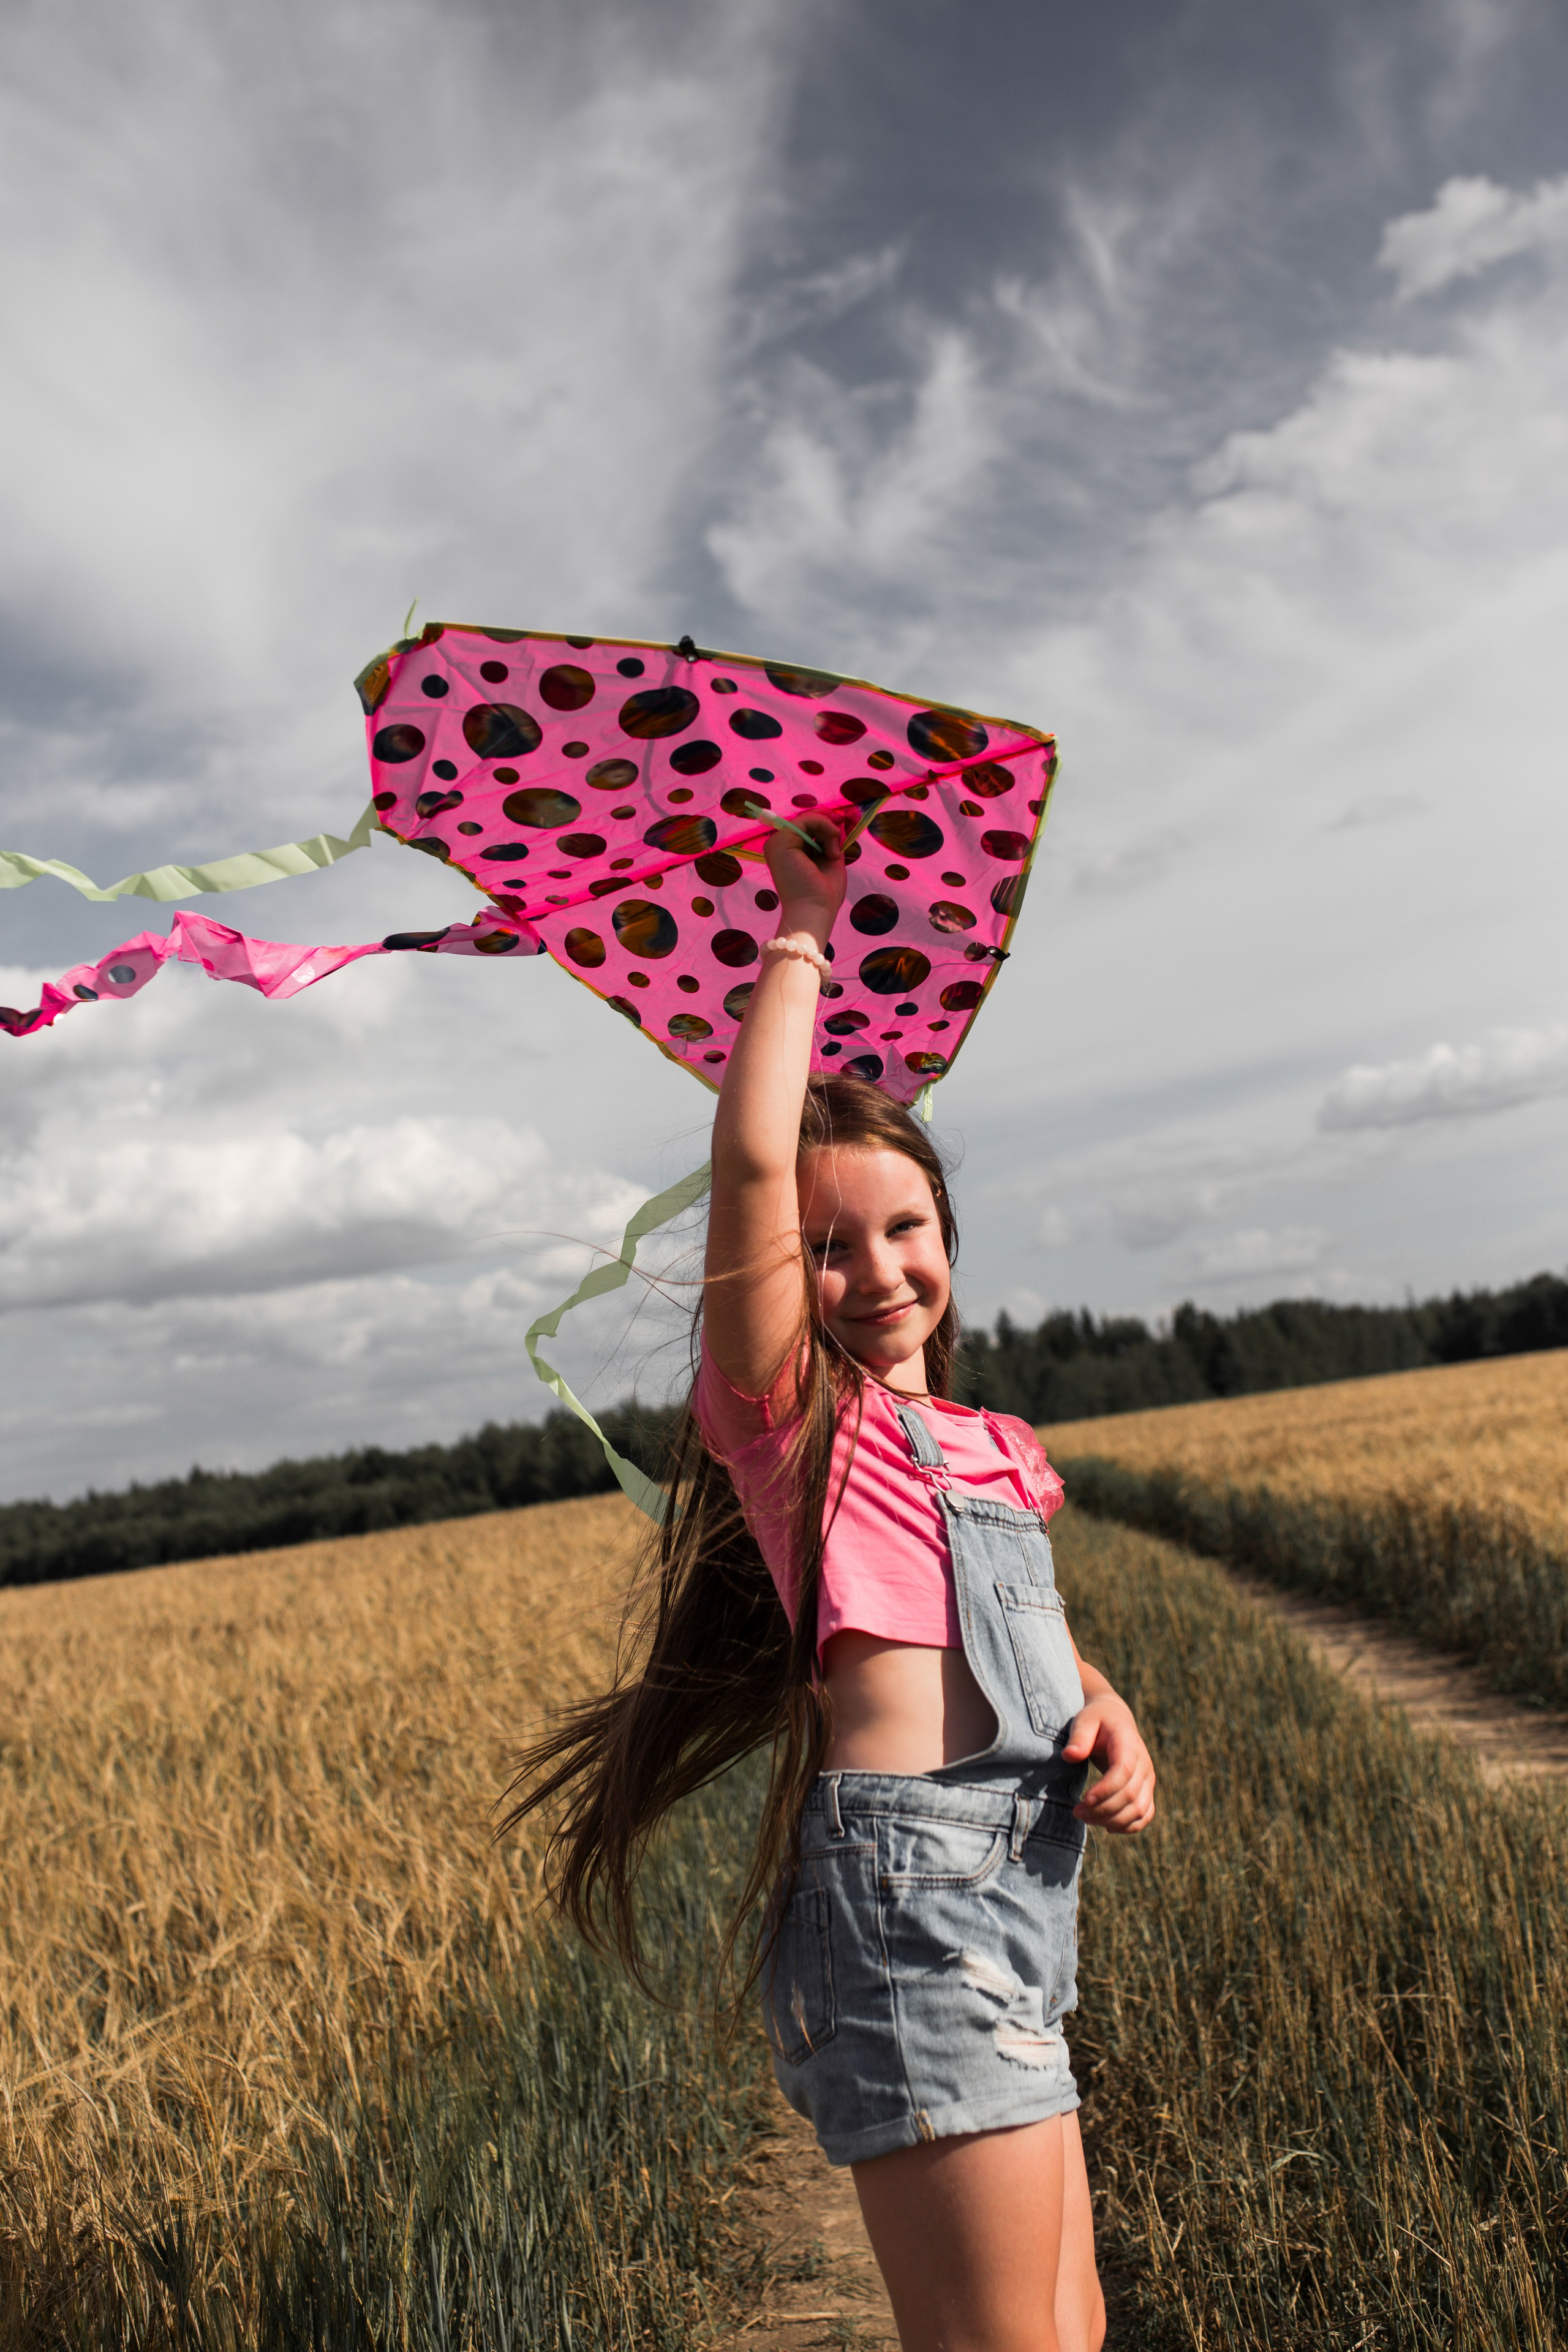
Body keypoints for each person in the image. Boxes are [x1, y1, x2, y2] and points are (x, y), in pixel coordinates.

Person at [506, 813, 1156, 2352]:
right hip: (912, 1896)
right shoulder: (792, 1427)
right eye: (825, 1246)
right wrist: (803, 923)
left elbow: (1020, 1636)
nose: (875, 1274)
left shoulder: (991, 1442)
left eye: (904, 1228)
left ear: (948, 1231)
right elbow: (749, 1150)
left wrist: (1104, 1716)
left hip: (1022, 1882)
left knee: (1070, 2328)